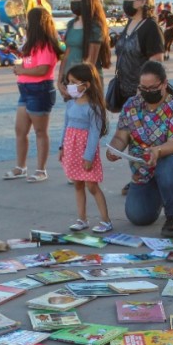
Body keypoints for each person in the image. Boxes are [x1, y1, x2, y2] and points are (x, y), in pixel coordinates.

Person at [106, 61, 173, 238]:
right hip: (144, 170)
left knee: (169, 163)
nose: (148, 92)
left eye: (153, 87)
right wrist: (114, 149)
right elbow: (121, 136)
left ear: (164, 83)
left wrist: (157, 151)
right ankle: (162, 192)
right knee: (138, 216)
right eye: (143, 88)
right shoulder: (132, 105)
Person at [113, 0, 164, 194]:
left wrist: (143, 91)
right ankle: (137, 175)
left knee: (147, 137)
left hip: (143, 94)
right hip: (126, 91)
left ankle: (150, 178)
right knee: (133, 138)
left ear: (143, 1)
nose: (125, 2)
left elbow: (156, 61)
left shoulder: (150, 27)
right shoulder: (129, 25)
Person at [4, 7, 63, 183]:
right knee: (20, 130)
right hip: (25, 90)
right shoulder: (31, 43)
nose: (26, 24)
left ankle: (41, 169)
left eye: (29, 21)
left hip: (40, 90)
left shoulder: (46, 45)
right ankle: (20, 167)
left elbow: (43, 69)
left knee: (39, 131)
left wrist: (22, 69)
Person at [59, 62, 112, 233]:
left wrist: (88, 156)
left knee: (92, 186)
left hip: (85, 152)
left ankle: (106, 220)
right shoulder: (70, 104)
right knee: (78, 185)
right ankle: (82, 219)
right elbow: (65, 126)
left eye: (74, 82)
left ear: (86, 84)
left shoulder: (94, 107)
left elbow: (95, 134)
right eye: (69, 82)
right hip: (71, 150)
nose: (70, 86)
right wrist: (62, 147)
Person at [56, 0, 111, 101]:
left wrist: (78, 86)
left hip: (86, 84)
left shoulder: (95, 27)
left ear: (86, 1)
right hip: (70, 82)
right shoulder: (71, 24)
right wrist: (60, 80)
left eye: (76, 0)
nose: (72, 3)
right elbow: (66, 54)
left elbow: (91, 61)